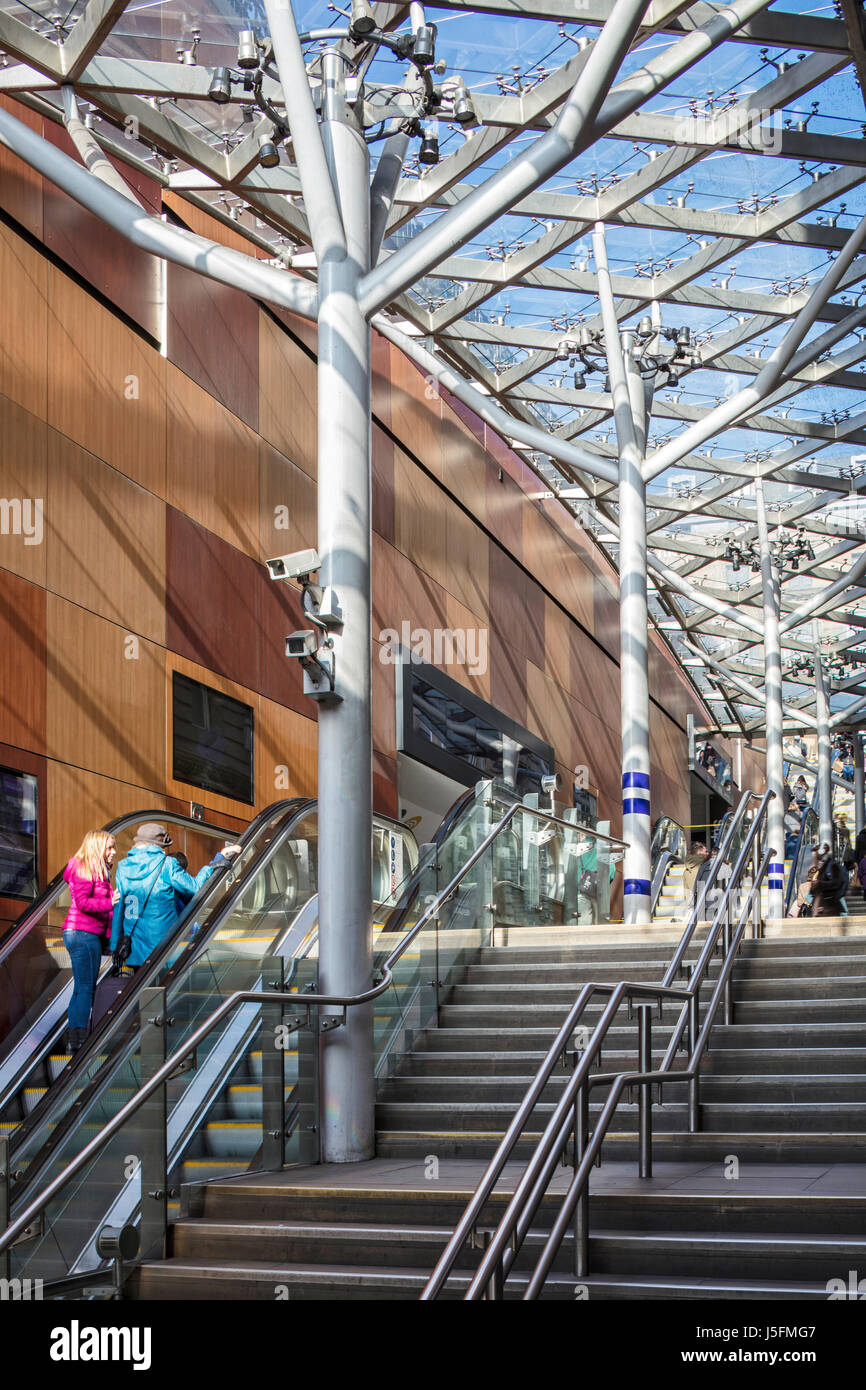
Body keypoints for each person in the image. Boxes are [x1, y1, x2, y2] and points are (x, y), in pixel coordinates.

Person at [110, 823, 241, 971]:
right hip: (163, 948)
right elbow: (195, 888)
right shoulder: (167, 864)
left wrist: (115, 945)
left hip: (134, 945)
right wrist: (216, 862)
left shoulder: (123, 867)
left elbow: (119, 906)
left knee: (141, 989)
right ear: (159, 845)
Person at [62, 830, 118, 1051]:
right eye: (110, 847)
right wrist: (110, 903)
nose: (114, 851)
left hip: (84, 933)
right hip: (82, 933)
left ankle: (75, 1038)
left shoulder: (95, 870)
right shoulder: (84, 867)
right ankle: (80, 1040)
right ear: (97, 847)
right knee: (85, 988)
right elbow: (83, 903)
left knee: (81, 988)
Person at [681, 841, 708, 914]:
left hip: (691, 903)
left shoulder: (686, 870)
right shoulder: (704, 866)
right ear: (699, 852)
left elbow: (686, 890)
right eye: (705, 851)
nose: (707, 854)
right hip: (702, 903)